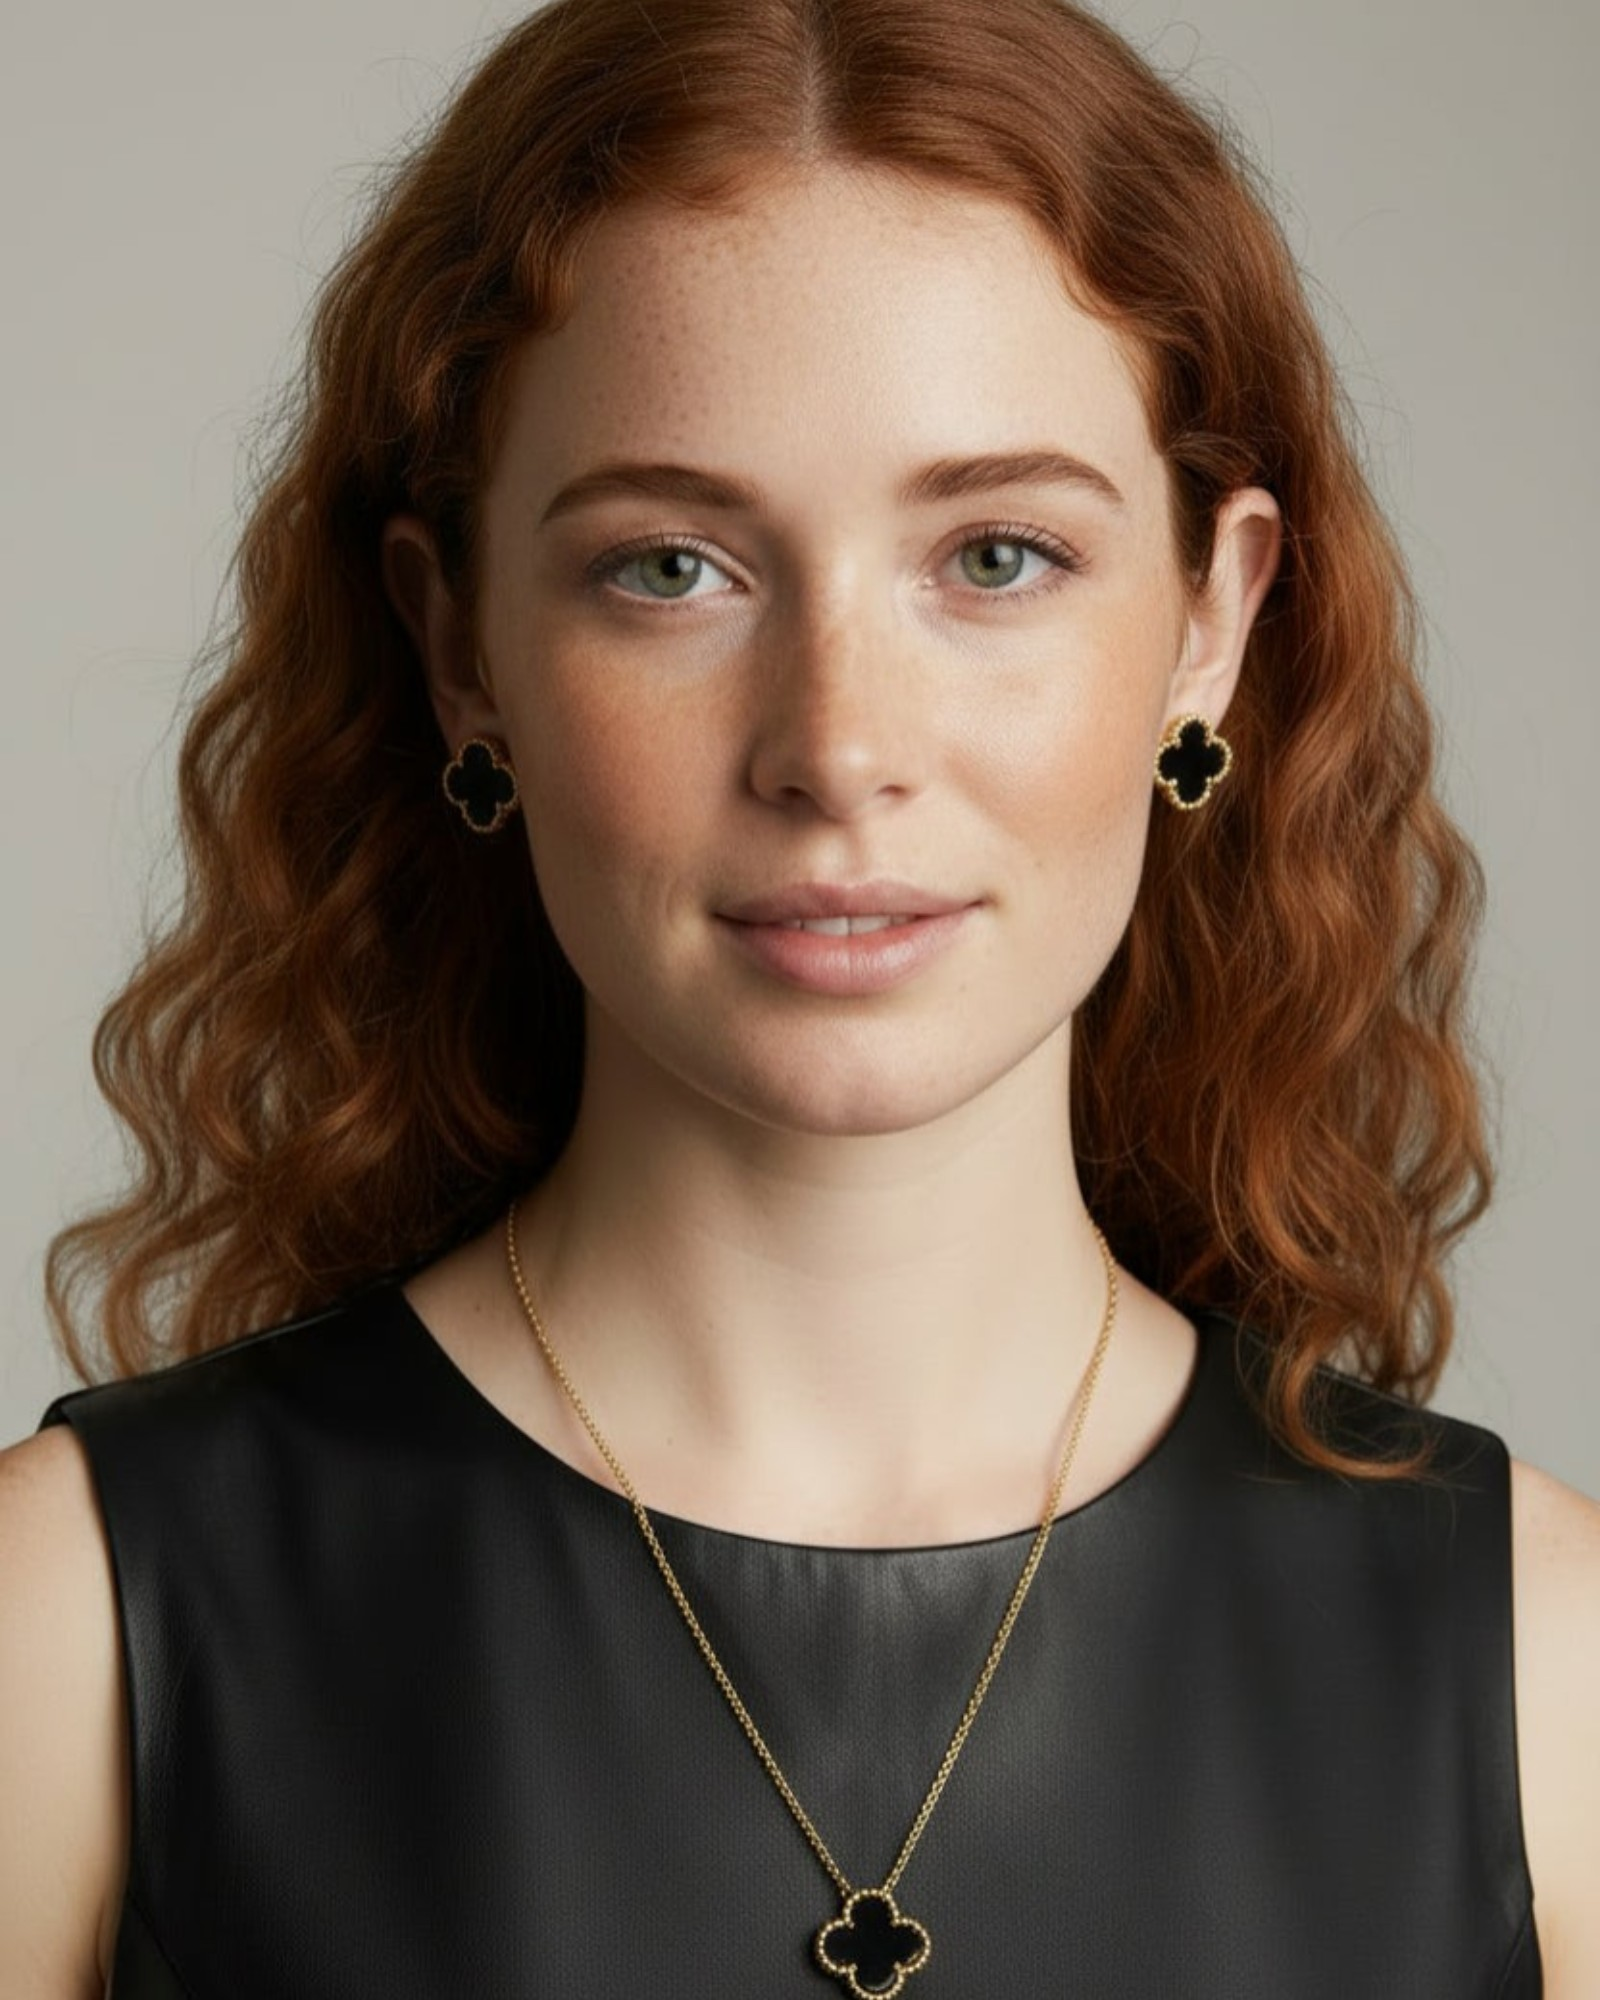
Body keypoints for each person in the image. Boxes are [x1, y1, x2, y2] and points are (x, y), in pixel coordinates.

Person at [1, 0, 1596, 1992]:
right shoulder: (62, 1628)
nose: (837, 747)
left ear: (1209, 622)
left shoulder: (1547, 1669)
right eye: (670, 569)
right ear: (459, 646)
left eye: (995, 556)